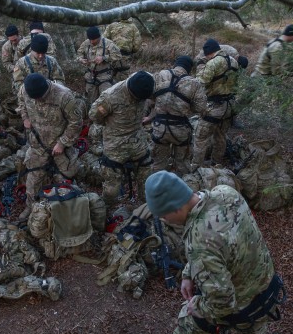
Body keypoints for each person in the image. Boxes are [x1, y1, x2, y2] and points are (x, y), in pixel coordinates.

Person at [144, 171, 283, 334]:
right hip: (266, 290)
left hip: (240, 304)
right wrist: (190, 272)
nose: (163, 220)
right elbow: (224, 241)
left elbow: (222, 304)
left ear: (178, 208)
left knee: (189, 326)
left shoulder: (199, 242)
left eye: (163, 215)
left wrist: (195, 305)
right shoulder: (225, 192)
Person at [15, 73, 85, 221]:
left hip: (60, 146)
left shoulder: (64, 96)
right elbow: (21, 102)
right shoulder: (24, 89)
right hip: (37, 144)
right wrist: (25, 117)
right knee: (33, 178)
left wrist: (62, 143)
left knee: (67, 178)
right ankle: (30, 205)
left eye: (40, 98)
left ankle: (65, 210)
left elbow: (76, 122)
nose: (38, 101)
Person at [88, 71, 154, 210]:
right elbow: (94, 115)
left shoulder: (147, 81)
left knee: (146, 179)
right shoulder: (111, 96)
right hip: (115, 145)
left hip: (138, 141)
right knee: (112, 185)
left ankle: (147, 208)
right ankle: (107, 210)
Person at [148, 56, 207, 176]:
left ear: (176, 64)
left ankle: (157, 191)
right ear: (189, 69)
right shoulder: (194, 83)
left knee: (158, 163)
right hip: (181, 130)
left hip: (160, 127)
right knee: (182, 164)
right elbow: (200, 108)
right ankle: (181, 190)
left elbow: (150, 96)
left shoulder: (161, 74)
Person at [192, 39, 239, 169]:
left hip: (213, 107)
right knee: (221, 137)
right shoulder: (234, 61)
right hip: (229, 106)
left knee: (200, 138)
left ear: (208, 53)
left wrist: (201, 66)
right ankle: (216, 165)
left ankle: (196, 168)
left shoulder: (213, 63)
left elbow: (200, 82)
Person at [77, 26, 122, 104]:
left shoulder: (108, 43)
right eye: (90, 39)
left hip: (105, 77)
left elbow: (118, 56)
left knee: (106, 99)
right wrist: (81, 59)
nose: (91, 41)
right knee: (90, 101)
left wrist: (104, 58)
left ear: (99, 37)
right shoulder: (86, 43)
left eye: (94, 39)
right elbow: (79, 54)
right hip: (90, 76)